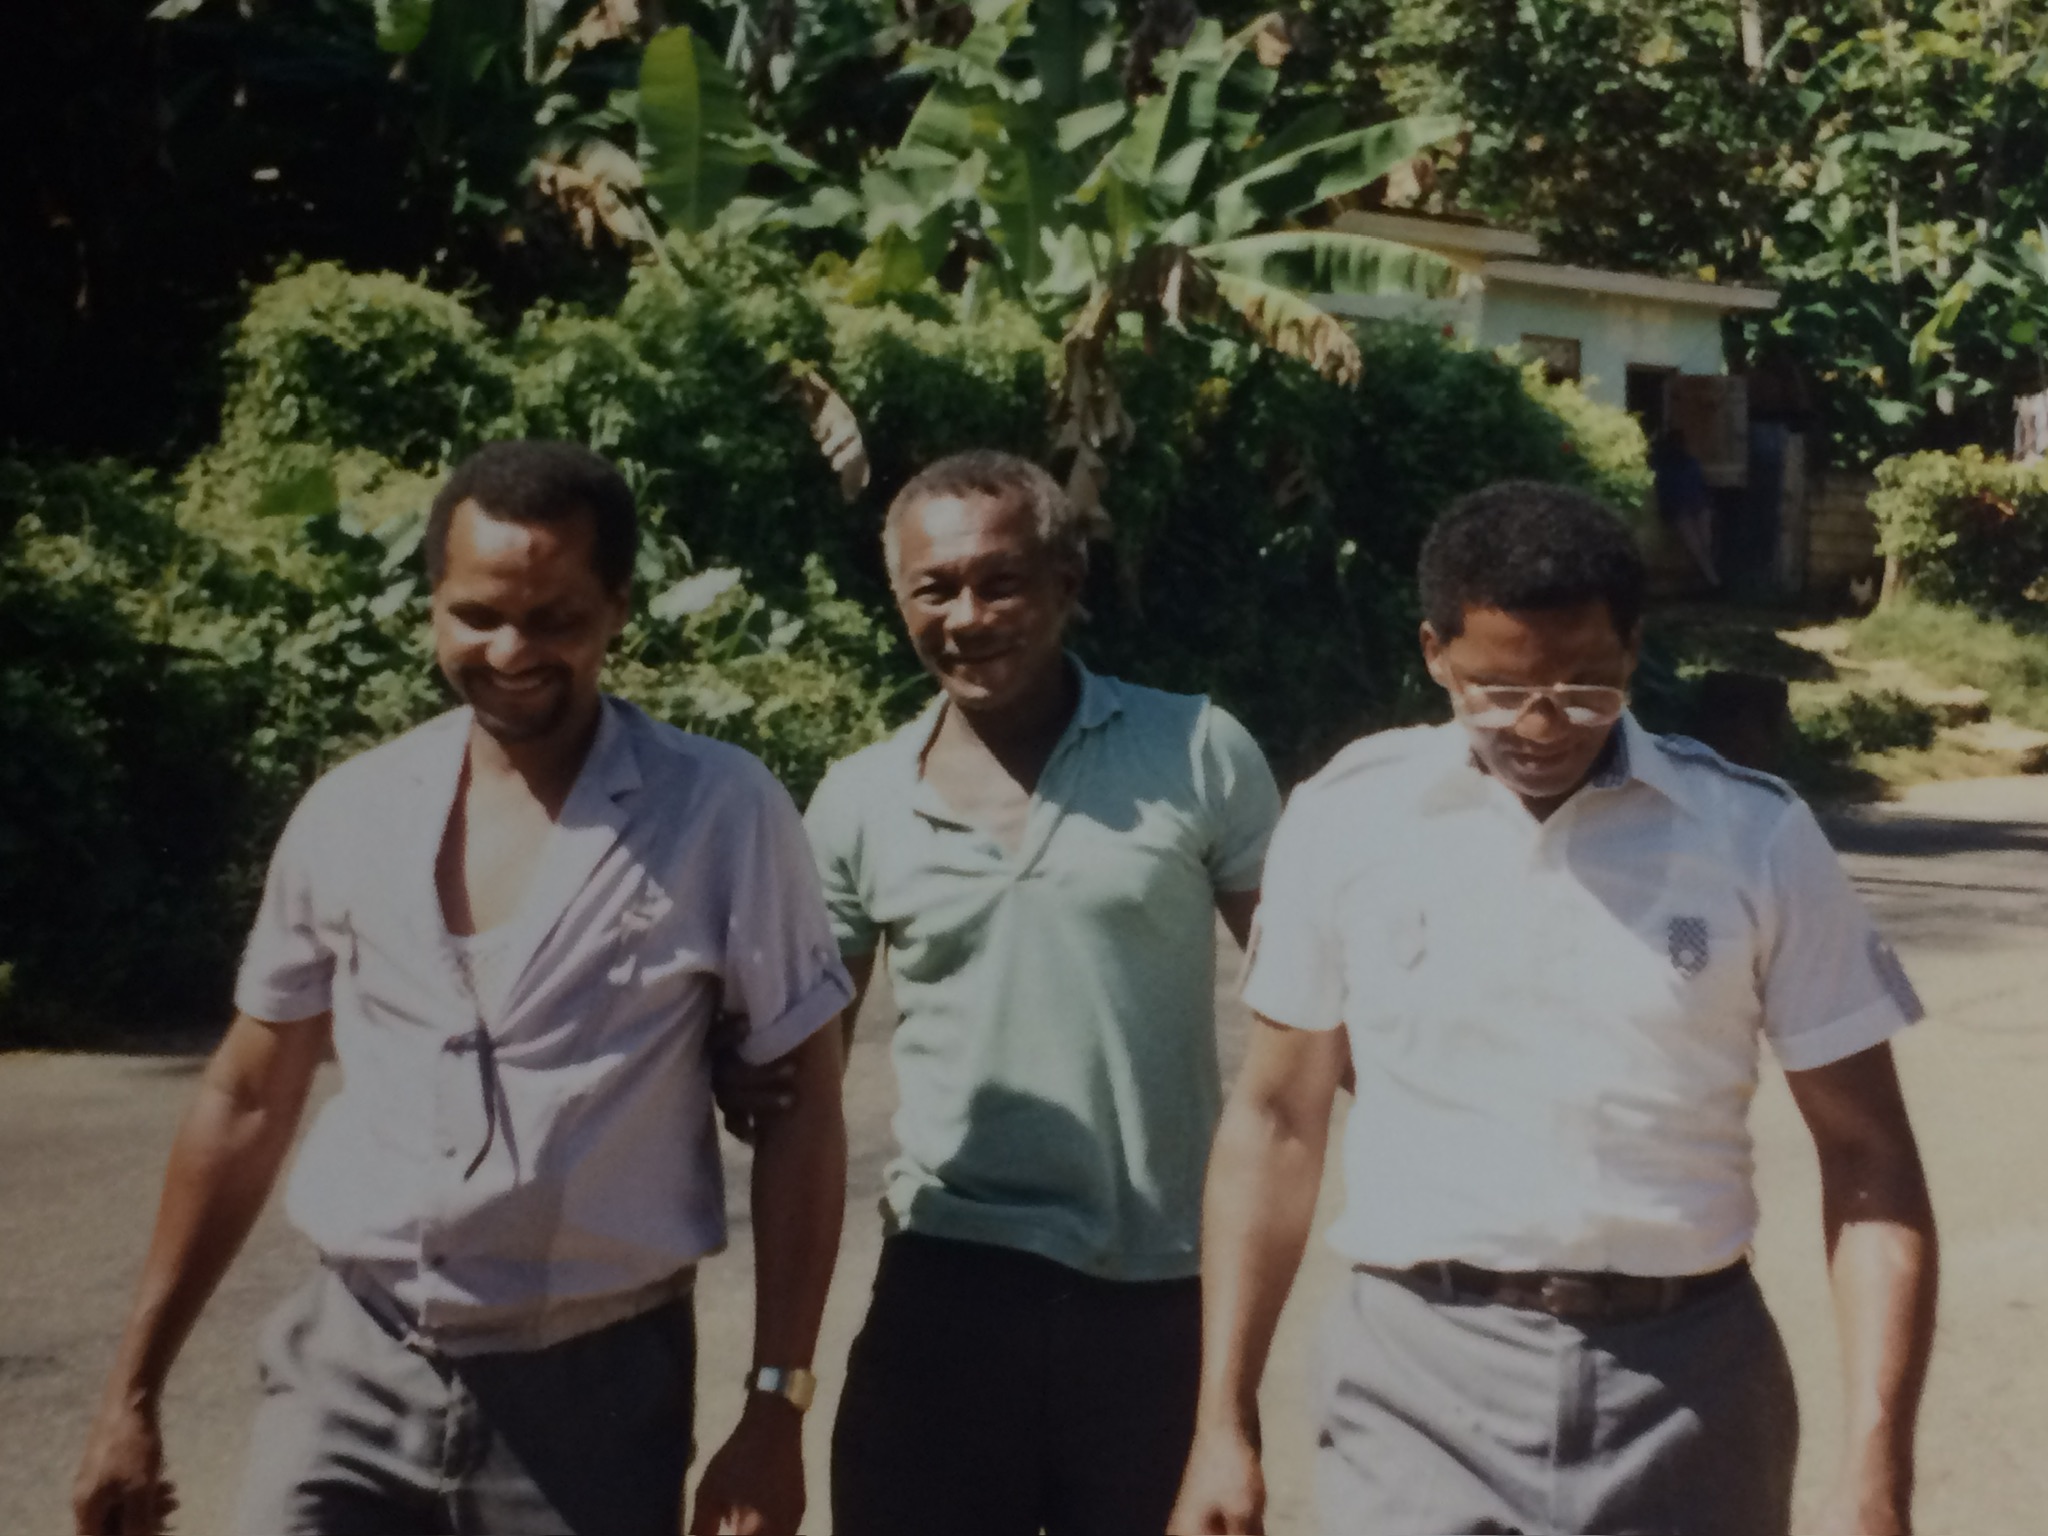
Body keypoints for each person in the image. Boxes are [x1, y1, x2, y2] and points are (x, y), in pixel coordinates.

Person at [71, 440, 851, 1536]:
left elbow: (804, 1109)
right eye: (476, 615)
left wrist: (775, 1406)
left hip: (593, 1392)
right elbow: (245, 1098)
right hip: (348, 1365)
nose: (510, 650)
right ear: (432, 604)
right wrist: (130, 1393)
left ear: (618, 611)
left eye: (554, 618)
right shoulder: (354, 810)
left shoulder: (718, 811)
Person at [1172, 481, 1937, 1536]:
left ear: (1634, 650)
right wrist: (1222, 1420)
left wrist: (1875, 1465)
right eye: (1497, 690)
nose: (1539, 725)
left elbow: (1868, 1158)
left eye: (1585, 689)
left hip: (1689, 1385)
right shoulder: (1348, 820)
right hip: (1414, 1382)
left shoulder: (1751, 836)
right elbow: (1274, 1124)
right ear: (1435, 652)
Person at [803, 449, 1282, 1536]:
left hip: (1159, 1288)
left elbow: (1308, 1010)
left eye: (1001, 582)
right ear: (898, 600)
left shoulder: (1196, 750)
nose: (968, 618)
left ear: (1068, 583)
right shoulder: (857, 801)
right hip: (944, 1285)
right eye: (934, 589)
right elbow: (800, 1072)